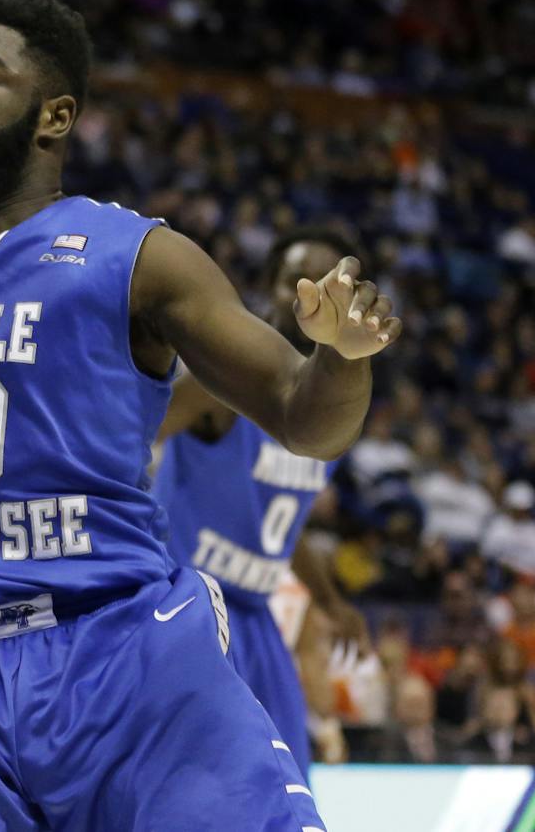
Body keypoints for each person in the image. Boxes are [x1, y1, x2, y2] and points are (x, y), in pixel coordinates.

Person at [0, 0, 399, 831]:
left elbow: (307, 416)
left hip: (125, 656)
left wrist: (341, 357)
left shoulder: (139, 257)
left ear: (53, 116)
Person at [149, 227, 373, 776]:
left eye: (332, 281)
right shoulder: (220, 387)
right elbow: (130, 433)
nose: (316, 294)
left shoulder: (330, 415)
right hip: (187, 601)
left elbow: (282, 525)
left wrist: (328, 598)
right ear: (270, 293)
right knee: (188, 776)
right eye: (296, 281)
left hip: (257, 614)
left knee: (287, 778)